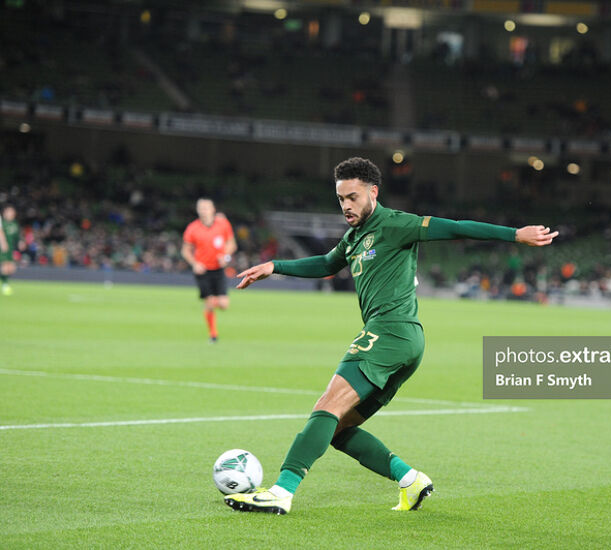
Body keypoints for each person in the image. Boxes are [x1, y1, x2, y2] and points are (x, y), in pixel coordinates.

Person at [225, 157, 557, 515]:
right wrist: (275, 266)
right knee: (337, 429)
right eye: (341, 199)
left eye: (353, 197)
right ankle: (411, 480)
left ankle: (281, 492)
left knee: (327, 406)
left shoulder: (397, 224)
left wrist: (514, 235)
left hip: (390, 331)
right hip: (402, 341)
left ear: (373, 192)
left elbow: (456, 227)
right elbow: (325, 264)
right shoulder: (354, 237)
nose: (346, 206)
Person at [181, 199, 237, 343]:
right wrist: (194, 263)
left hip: (218, 269)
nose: (203, 210)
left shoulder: (223, 224)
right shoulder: (193, 228)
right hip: (203, 270)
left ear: (213, 209)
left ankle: (209, 305)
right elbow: (185, 250)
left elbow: (231, 244)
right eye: (200, 208)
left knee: (224, 304)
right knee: (211, 302)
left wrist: (226, 256)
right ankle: (213, 334)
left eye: (206, 208)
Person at [1, 205, 22, 296]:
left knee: (12, 268)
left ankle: (5, 283)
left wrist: (20, 242)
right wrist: (3, 243)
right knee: (5, 267)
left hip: (11, 248)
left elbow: (17, 236)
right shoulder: (3, 223)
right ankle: (5, 285)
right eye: (9, 211)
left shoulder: (15, 224)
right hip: (3, 248)